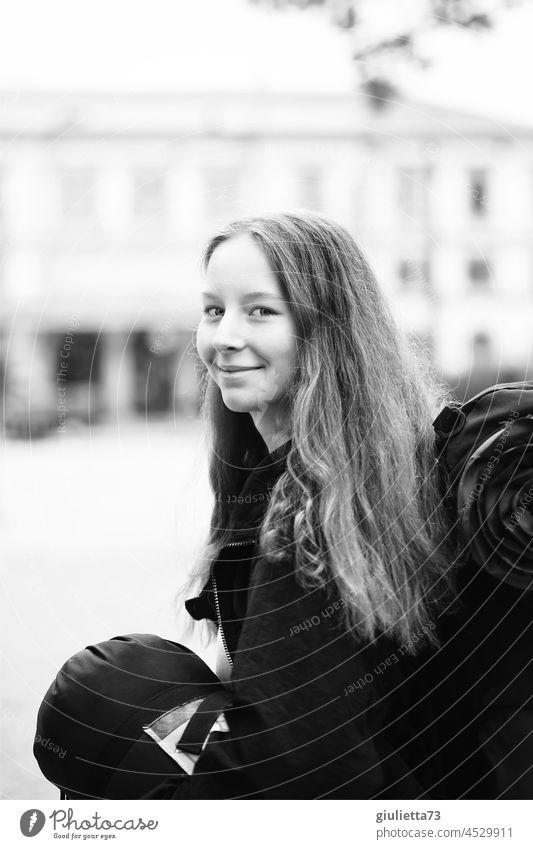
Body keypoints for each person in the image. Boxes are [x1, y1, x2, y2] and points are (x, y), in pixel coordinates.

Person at [146, 210, 462, 799]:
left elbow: (291, 762)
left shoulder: (316, 514)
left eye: (261, 310)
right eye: (214, 309)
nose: (225, 337)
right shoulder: (352, 474)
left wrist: (143, 726)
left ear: (326, 332)